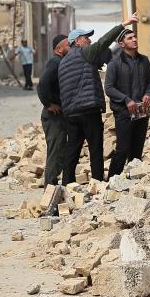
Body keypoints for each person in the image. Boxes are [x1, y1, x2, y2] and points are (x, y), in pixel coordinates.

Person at [58, 14, 139, 185]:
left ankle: (66, 185)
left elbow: (105, 55)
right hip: (88, 109)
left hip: (71, 113)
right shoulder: (84, 52)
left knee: (72, 150)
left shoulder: (64, 62)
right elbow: (103, 42)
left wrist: (115, 48)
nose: (89, 40)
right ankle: (97, 184)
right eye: (86, 38)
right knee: (95, 149)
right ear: (77, 41)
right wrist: (123, 25)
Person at [104, 28, 150, 179]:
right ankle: (112, 181)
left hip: (141, 111)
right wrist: (126, 99)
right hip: (124, 113)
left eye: (135, 37)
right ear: (121, 44)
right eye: (130, 38)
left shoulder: (144, 60)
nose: (134, 40)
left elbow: (149, 82)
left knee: (137, 150)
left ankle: (133, 182)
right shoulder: (114, 63)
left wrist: (148, 94)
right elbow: (109, 88)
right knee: (122, 149)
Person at [37, 35, 69, 185]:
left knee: (60, 150)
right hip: (53, 116)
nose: (71, 47)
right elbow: (42, 84)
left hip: (59, 115)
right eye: (68, 45)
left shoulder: (61, 62)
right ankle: (50, 187)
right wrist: (48, 104)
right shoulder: (55, 62)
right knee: (55, 152)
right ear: (59, 49)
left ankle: (54, 185)